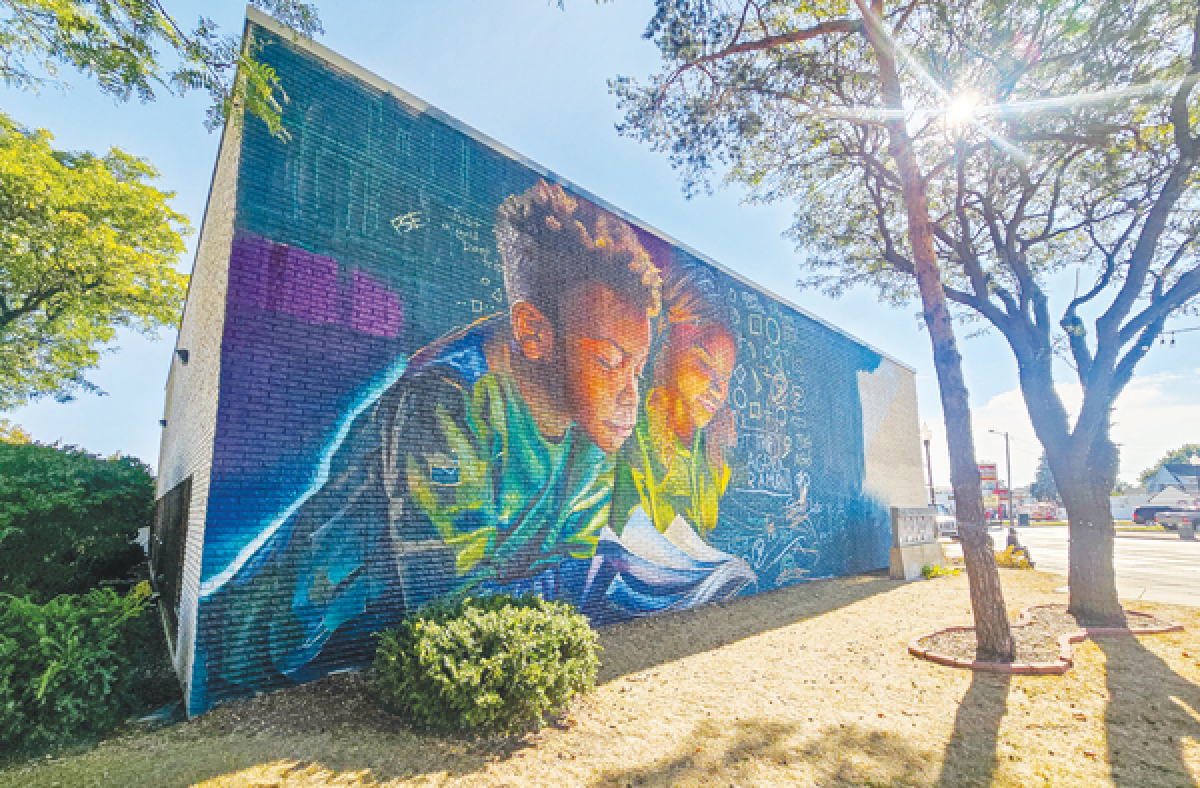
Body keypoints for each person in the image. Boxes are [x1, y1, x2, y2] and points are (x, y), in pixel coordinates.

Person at [196, 181, 662, 700]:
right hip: (258, 653)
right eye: (608, 361)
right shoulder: (447, 401)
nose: (630, 395)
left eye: (638, 369)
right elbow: (446, 600)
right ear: (534, 333)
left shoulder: (594, 430)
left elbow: (570, 568)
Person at [583, 265, 756, 619]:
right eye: (704, 365)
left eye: (724, 378)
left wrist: (717, 456)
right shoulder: (628, 424)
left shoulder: (702, 447)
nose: (717, 388)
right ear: (667, 353)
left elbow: (704, 523)